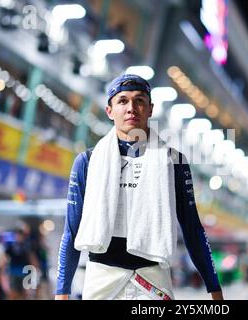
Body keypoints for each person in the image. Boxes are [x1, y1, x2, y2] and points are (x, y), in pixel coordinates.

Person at [55, 74, 223, 300]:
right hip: (102, 281)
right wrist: (62, 292)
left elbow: (193, 230)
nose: (131, 108)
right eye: (122, 101)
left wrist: (214, 289)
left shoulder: (174, 162)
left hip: (153, 281)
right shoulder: (87, 162)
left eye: (139, 100)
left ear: (150, 109)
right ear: (109, 111)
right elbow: (71, 231)